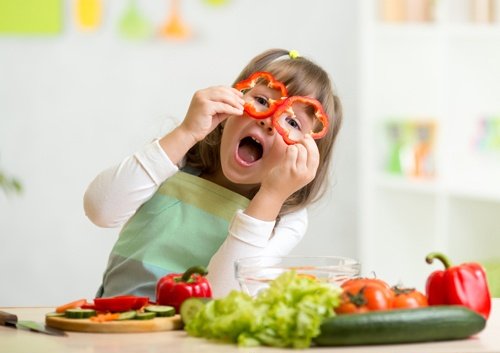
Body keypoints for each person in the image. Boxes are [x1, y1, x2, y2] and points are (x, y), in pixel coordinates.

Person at [84, 49, 342, 299]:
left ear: (308, 155)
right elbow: (100, 210)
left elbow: (222, 296)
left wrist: (271, 197)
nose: (268, 120)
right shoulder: (177, 156)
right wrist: (185, 132)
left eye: (293, 122)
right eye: (261, 100)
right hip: (111, 326)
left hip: (193, 341)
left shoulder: (287, 218)